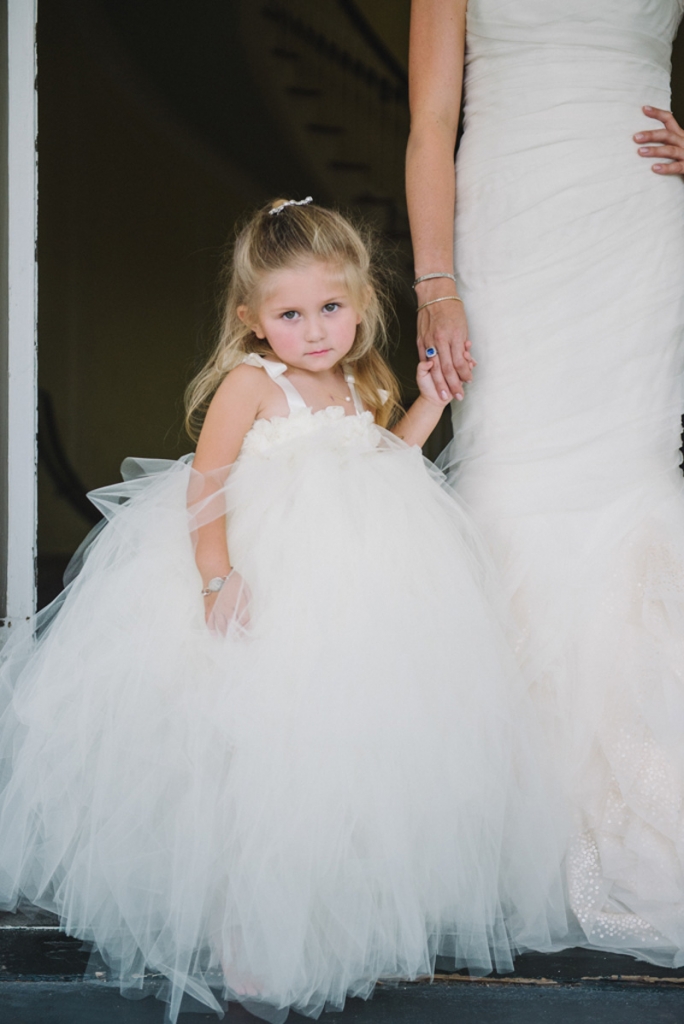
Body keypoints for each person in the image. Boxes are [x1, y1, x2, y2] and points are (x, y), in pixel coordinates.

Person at [0, 199, 564, 1022]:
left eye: (330, 308)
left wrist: (433, 404)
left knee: (330, 759)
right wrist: (214, 576)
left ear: (362, 305)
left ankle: (316, 928)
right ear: (253, 321)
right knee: (250, 761)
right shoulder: (250, 384)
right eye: (290, 314)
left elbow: (387, 467)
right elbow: (206, 481)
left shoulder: (359, 382)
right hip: (263, 581)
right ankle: (241, 935)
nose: (314, 329)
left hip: (353, 594)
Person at [406, 0, 684, 964]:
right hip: (511, 215)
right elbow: (431, 119)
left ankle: (643, 832)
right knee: (511, 483)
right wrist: (435, 282)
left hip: (633, 205)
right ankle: (500, 838)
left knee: (630, 478)